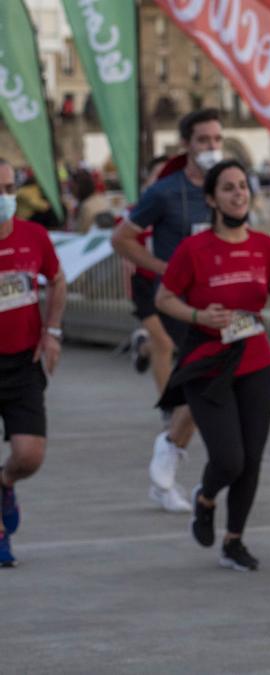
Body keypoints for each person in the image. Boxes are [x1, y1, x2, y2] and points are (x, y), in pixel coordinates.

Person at [155, 159, 270, 571]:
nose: (239, 194)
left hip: (256, 360)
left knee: (252, 458)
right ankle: (205, 497)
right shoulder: (194, 249)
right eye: (229, 188)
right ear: (212, 199)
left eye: (243, 186)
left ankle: (234, 541)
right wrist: (198, 316)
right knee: (230, 459)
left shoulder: (265, 246)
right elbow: (164, 298)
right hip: (208, 362)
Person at [113, 108, 224, 513]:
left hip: (222, 305)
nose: (212, 147)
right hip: (180, 307)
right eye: (203, 140)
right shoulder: (163, 192)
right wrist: (164, 268)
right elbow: (121, 239)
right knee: (201, 387)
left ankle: (172, 452)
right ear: (186, 145)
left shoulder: (226, 185)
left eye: (217, 139)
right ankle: (169, 460)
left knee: (211, 391)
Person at [0, 158, 67, 567]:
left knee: (30, 456)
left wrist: (52, 331)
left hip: (24, 362)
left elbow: (56, 279)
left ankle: (5, 481)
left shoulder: (34, 236)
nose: (4, 198)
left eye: (9, 189)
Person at [127, 155, 172, 376]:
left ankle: (143, 347)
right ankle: (167, 398)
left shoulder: (182, 211)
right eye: (159, 175)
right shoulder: (136, 212)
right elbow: (123, 245)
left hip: (173, 284)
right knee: (164, 344)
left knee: (170, 341)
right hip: (145, 284)